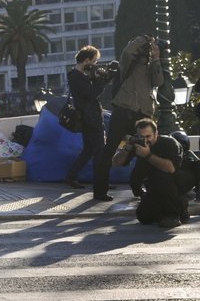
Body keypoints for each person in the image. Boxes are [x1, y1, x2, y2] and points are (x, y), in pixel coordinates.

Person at [92, 34, 163, 202]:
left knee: (145, 153)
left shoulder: (150, 65)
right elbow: (127, 51)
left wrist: (156, 59)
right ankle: (100, 190)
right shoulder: (127, 63)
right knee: (108, 150)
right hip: (123, 111)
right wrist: (144, 39)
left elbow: (159, 82)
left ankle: (139, 188)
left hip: (143, 115)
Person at [118, 119, 185, 228]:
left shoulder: (169, 143)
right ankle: (177, 208)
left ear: (156, 134)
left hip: (178, 180)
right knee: (144, 216)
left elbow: (170, 168)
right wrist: (127, 148)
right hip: (155, 185)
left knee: (161, 176)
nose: (145, 140)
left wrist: (147, 155)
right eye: (141, 136)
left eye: (148, 136)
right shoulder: (137, 143)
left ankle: (173, 215)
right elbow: (116, 162)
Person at [64, 46, 108, 189]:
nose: (95, 64)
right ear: (87, 60)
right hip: (90, 118)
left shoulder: (81, 75)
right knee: (99, 151)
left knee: (89, 150)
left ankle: (72, 176)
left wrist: (102, 78)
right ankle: (100, 183)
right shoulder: (76, 77)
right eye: (94, 61)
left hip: (89, 117)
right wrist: (100, 81)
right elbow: (91, 94)